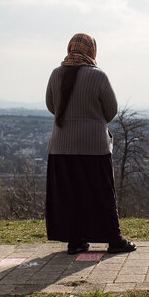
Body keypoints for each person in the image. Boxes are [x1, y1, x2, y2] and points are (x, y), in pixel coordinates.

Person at [45, 33, 136, 255]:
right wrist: (93, 119)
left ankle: (75, 240)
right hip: (94, 146)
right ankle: (114, 240)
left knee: (70, 194)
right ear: (91, 51)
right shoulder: (98, 76)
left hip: (61, 146)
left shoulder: (56, 74)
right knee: (101, 193)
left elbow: (50, 105)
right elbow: (111, 110)